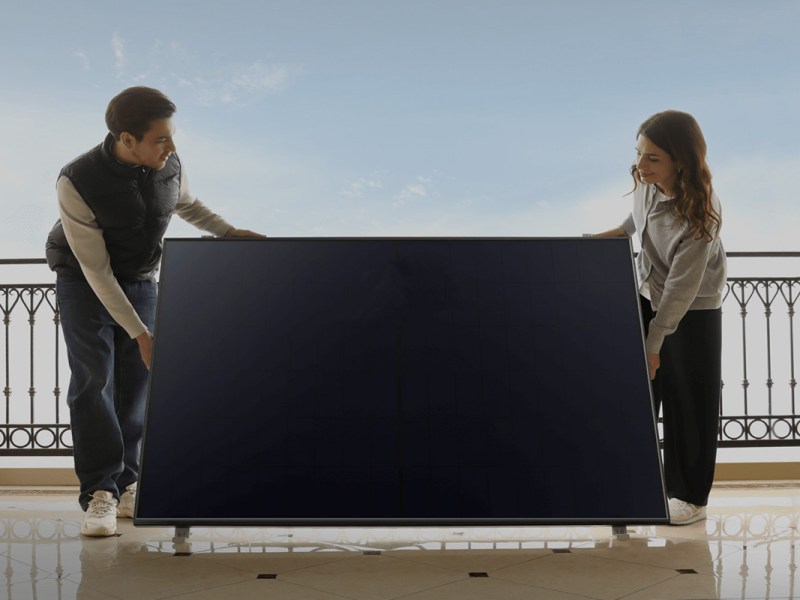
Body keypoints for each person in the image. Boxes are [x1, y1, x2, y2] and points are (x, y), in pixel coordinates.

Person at [45, 86, 264, 537]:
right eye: (161, 139)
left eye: (172, 136)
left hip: (142, 277)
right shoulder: (76, 180)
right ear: (128, 139)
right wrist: (140, 332)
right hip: (83, 282)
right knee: (94, 382)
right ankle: (99, 493)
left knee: (138, 384)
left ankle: (128, 484)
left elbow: (184, 204)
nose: (172, 146)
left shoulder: (169, 165)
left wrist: (228, 231)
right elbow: (96, 269)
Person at [593, 110, 726, 525]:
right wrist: (610, 236)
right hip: (649, 291)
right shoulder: (646, 185)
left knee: (689, 399)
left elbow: (682, 289)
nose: (641, 165)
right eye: (638, 154)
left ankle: (689, 498)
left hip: (693, 306)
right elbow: (637, 219)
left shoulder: (701, 215)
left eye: (653, 158)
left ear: (681, 161)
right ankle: (632, 484)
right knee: (636, 394)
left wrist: (654, 344)